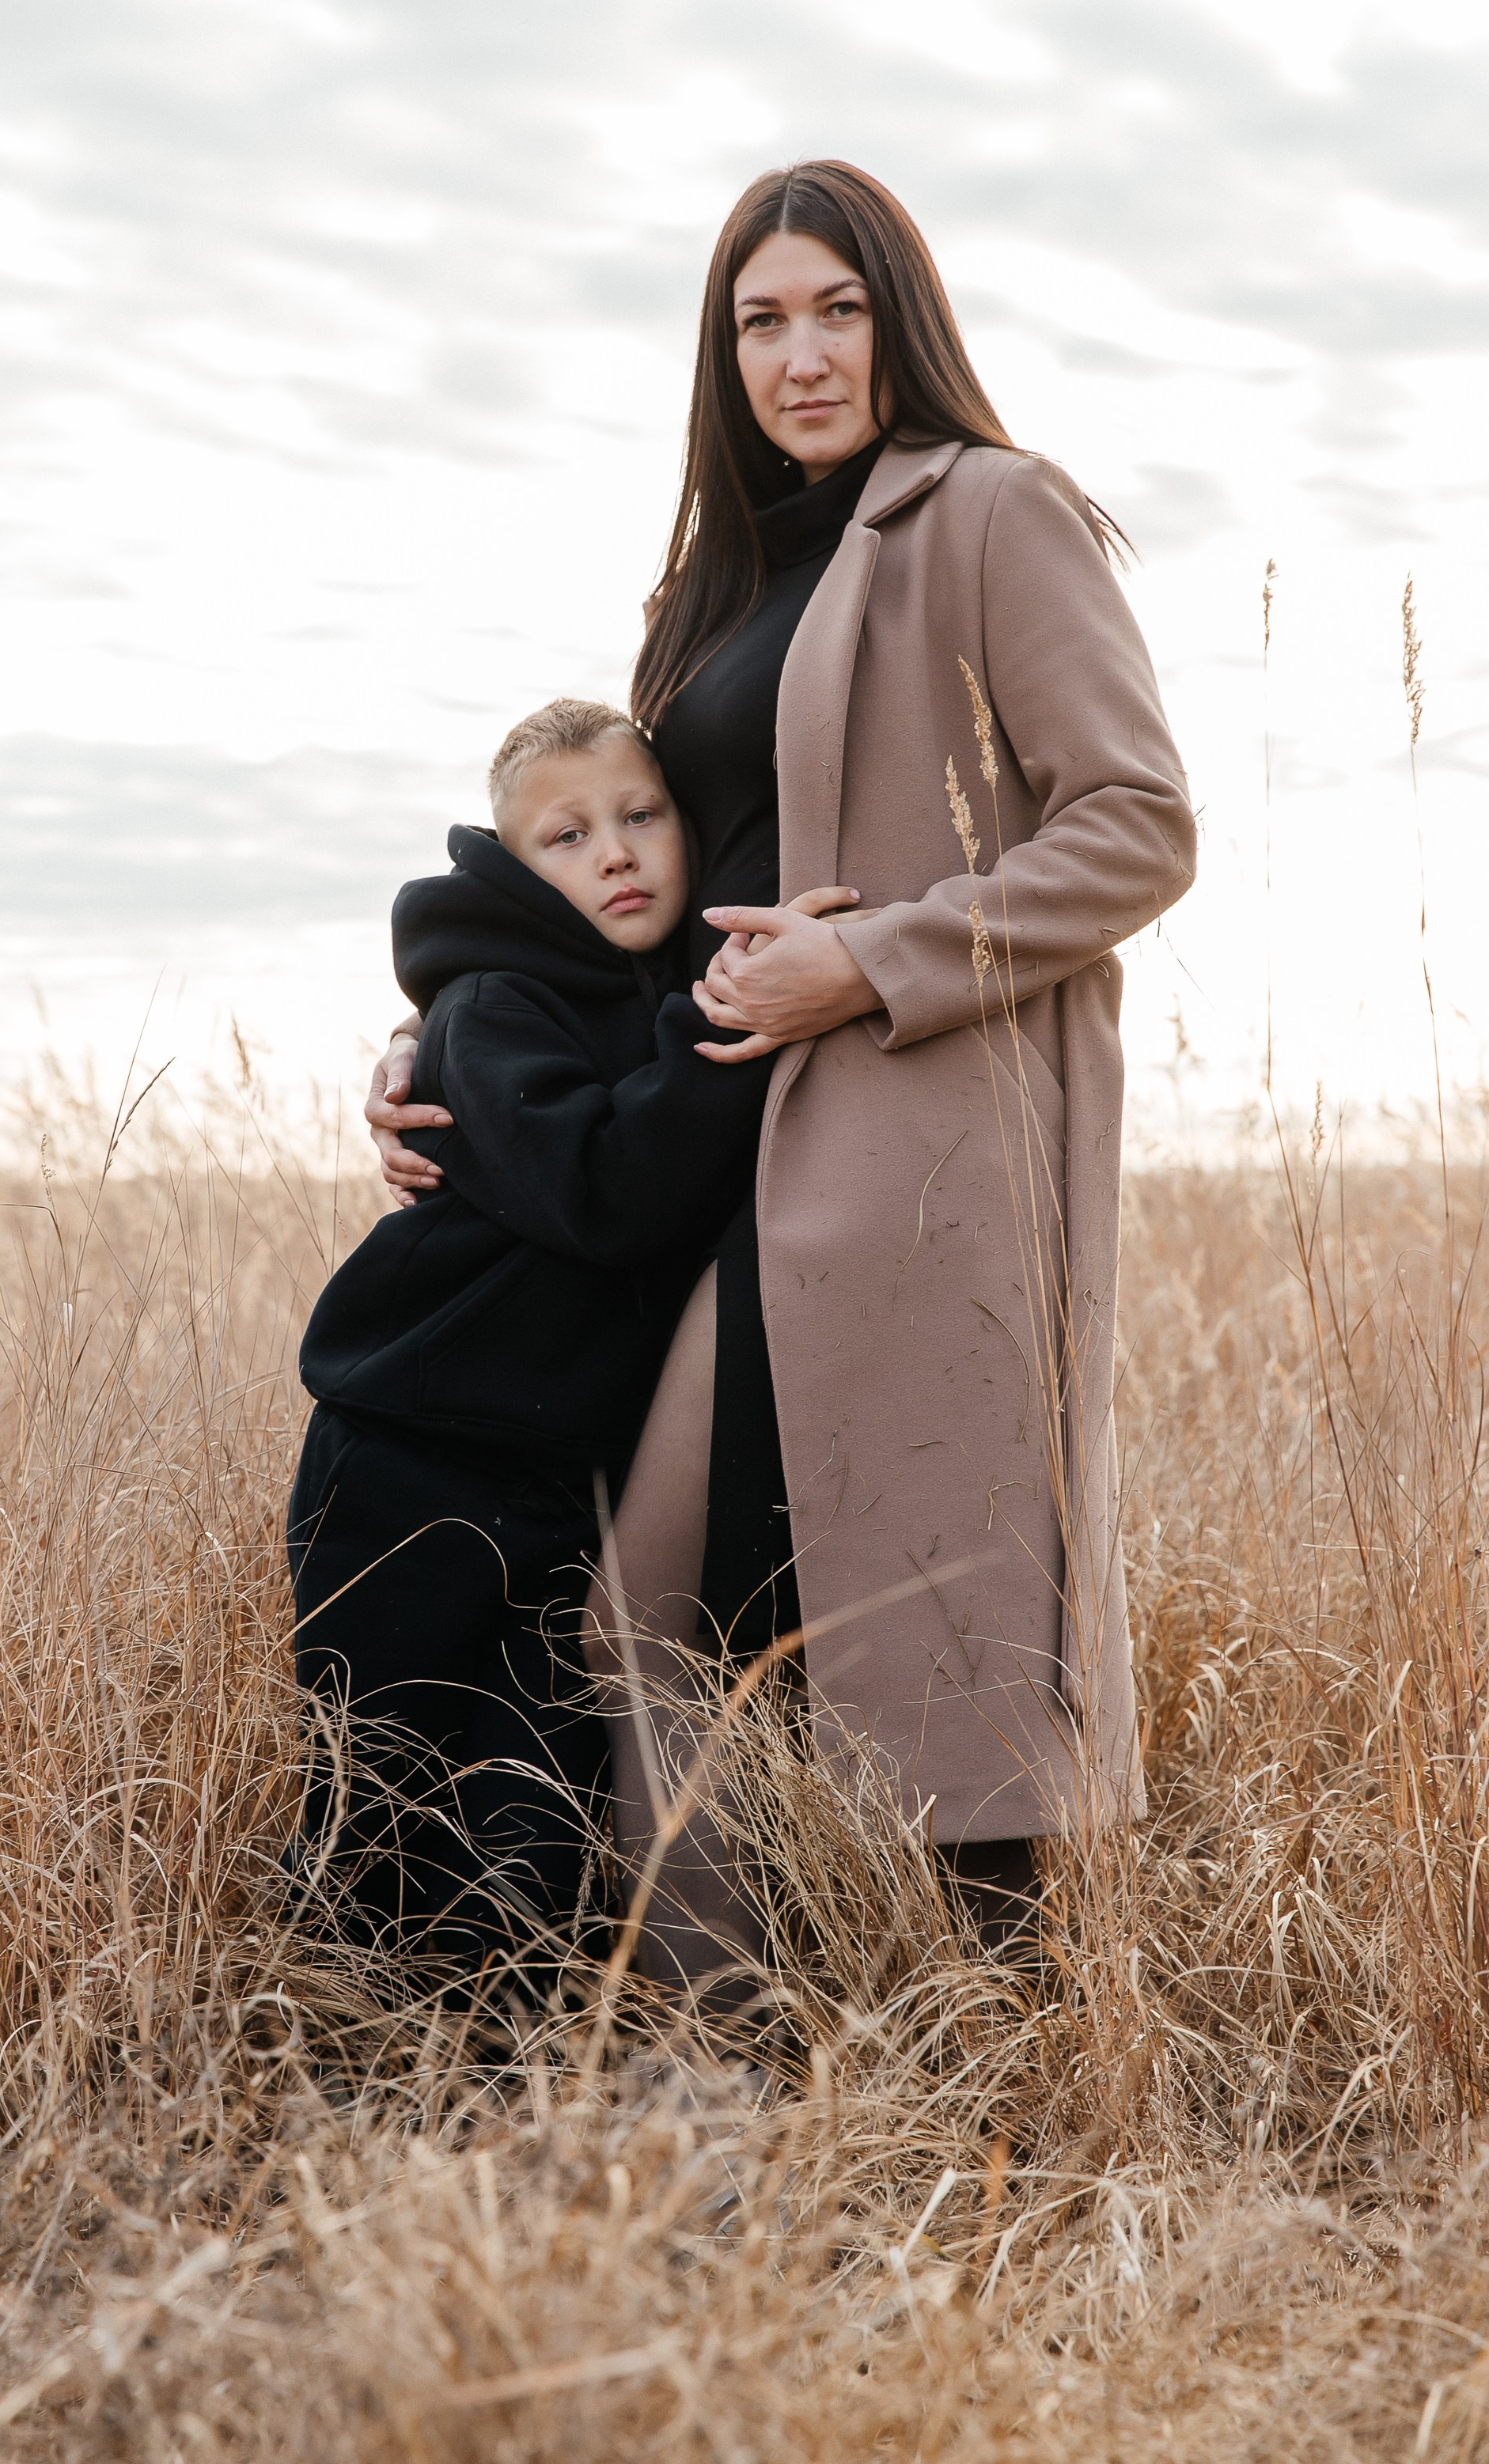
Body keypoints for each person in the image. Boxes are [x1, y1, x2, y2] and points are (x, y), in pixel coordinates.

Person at [367, 159, 1197, 1990]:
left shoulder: (991, 511)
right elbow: (639, 894)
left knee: (902, 1607)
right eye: (762, 320)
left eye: (838, 308)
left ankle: (966, 2067)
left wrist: (873, 957)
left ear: (901, 318)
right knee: (689, 1609)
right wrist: (460, 1039)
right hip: (711, 1148)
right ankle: (735, 2038)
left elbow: (1140, 825)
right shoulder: (715, 582)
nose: (802, 353)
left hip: (904, 1153)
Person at [289, 698, 790, 1989]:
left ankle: (513, 2044)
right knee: (389, 1765)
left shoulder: (644, 988)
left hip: (554, 1462)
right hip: (414, 1449)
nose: (615, 854)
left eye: (640, 817)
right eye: (567, 838)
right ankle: (357, 2037)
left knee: (533, 1771)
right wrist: (719, 1032)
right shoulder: (491, 1005)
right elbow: (603, 1190)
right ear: (517, 867)